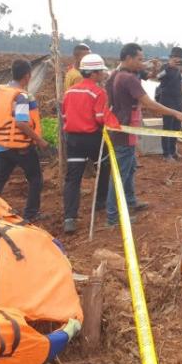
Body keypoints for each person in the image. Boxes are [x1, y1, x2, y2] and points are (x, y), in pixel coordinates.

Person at [105, 43, 182, 226]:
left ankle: (130, 201)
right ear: (128, 58)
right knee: (120, 175)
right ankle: (113, 217)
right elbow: (149, 103)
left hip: (122, 129)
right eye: (139, 59)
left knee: (129, 169)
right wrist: (176, 113)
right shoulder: (128, 79)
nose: (141, 62)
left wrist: (148, 66)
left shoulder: (114, 75)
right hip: (125, 132)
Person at [0, 59, 49, 221]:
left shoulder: (1, 91)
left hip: (1, 146)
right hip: (21, 148)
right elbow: (21, 123)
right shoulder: (21, 96)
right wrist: (40, 141)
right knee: (35, 179)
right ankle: (31, 214)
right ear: (27, 76)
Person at [61, 53, 118, 234]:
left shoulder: (69, 92)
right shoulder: (98, 92)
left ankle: (69, 218)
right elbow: (100, 118)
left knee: (73, 179)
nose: (102, 74)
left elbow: (64, 116)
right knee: (104, 166)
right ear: (93, 73)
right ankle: (101, 202)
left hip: (73, 139)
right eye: (100, 71)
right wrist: (116, 126)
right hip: (93, 138)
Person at [155, 46, 182, 160]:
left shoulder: (180, 70)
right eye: (176, 57)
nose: (178, 60)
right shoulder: (165, 67)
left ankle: (173, 151)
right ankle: (166, 154)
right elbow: (158, 76)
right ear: (172, 57)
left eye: (180, 58)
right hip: (167, 102)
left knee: (176, 128)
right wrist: (169, 66)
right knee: (167, 127)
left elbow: (180, 88)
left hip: (178, 102)